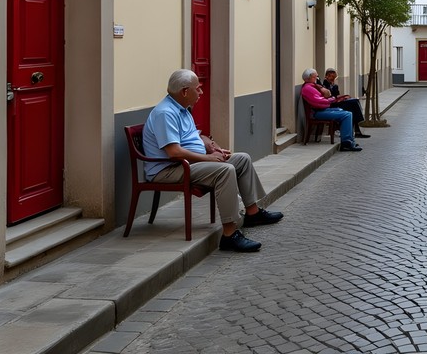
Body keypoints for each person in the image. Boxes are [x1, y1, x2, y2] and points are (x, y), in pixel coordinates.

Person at [143, 69, 283, 253]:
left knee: (242, 159)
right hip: (169, 169)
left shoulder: (182, 109)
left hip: (187, 164)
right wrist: (208, 158)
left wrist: (210, 146)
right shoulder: (165, 113)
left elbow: (193, 136)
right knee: (225, 171)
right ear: (185, 91)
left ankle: (253, 213)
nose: (201, 92)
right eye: (198, 89)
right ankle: (229, 235)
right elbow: (174, 152)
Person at [300, 68, 362, 151]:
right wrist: (331, 100)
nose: (317, 78)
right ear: (310, 77)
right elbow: (318, 101)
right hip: (317, 113)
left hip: (321, 110)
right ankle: (346, 142)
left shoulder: (313, 86)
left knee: (347, 112)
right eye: (315, 77)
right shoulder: (308, 88)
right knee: (346, 115)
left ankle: (350, 141)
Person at [322, 68, 369, 139]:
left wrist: (343, 97)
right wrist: (339, 98)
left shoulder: (335, 86)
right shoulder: (324, 85)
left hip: (336, 102)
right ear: (327, 76)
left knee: (354, 102)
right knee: (353, 104)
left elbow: (336, 96)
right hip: (331, 105)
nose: (333, 79)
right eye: (332, 77)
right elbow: (329, 97)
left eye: (334, 78)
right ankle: (359, 124)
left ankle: (357, 130)